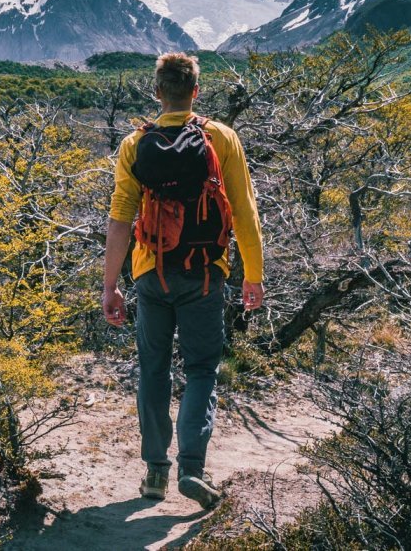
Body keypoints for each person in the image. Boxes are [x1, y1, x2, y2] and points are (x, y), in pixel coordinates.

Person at [102, 52, 264, 509]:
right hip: (207, 274)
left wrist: (110, 285)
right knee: (200, 369)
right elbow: (245, 213)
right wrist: (254, 275)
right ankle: (193, 468)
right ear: (196, 91)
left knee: (153, 370)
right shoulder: (221, 137)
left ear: (157, 93)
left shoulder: (135, 144)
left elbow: (120, 219)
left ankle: (155, 471)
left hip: (151, 272)